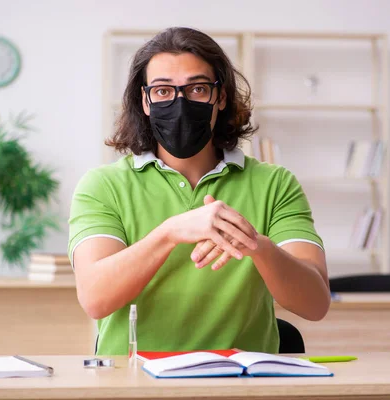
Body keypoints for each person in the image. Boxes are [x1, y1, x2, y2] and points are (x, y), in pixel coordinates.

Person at [68, 27, 331, 356]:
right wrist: (170, 233)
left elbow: (316, 304)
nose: (180, 102)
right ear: (145, 101)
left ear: (220, 97)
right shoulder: (103, 186)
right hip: (134, 384)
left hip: (244, 385)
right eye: (163, 91)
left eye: (197, 89)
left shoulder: (275, 184)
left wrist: (258, 246)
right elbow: (95, 299)